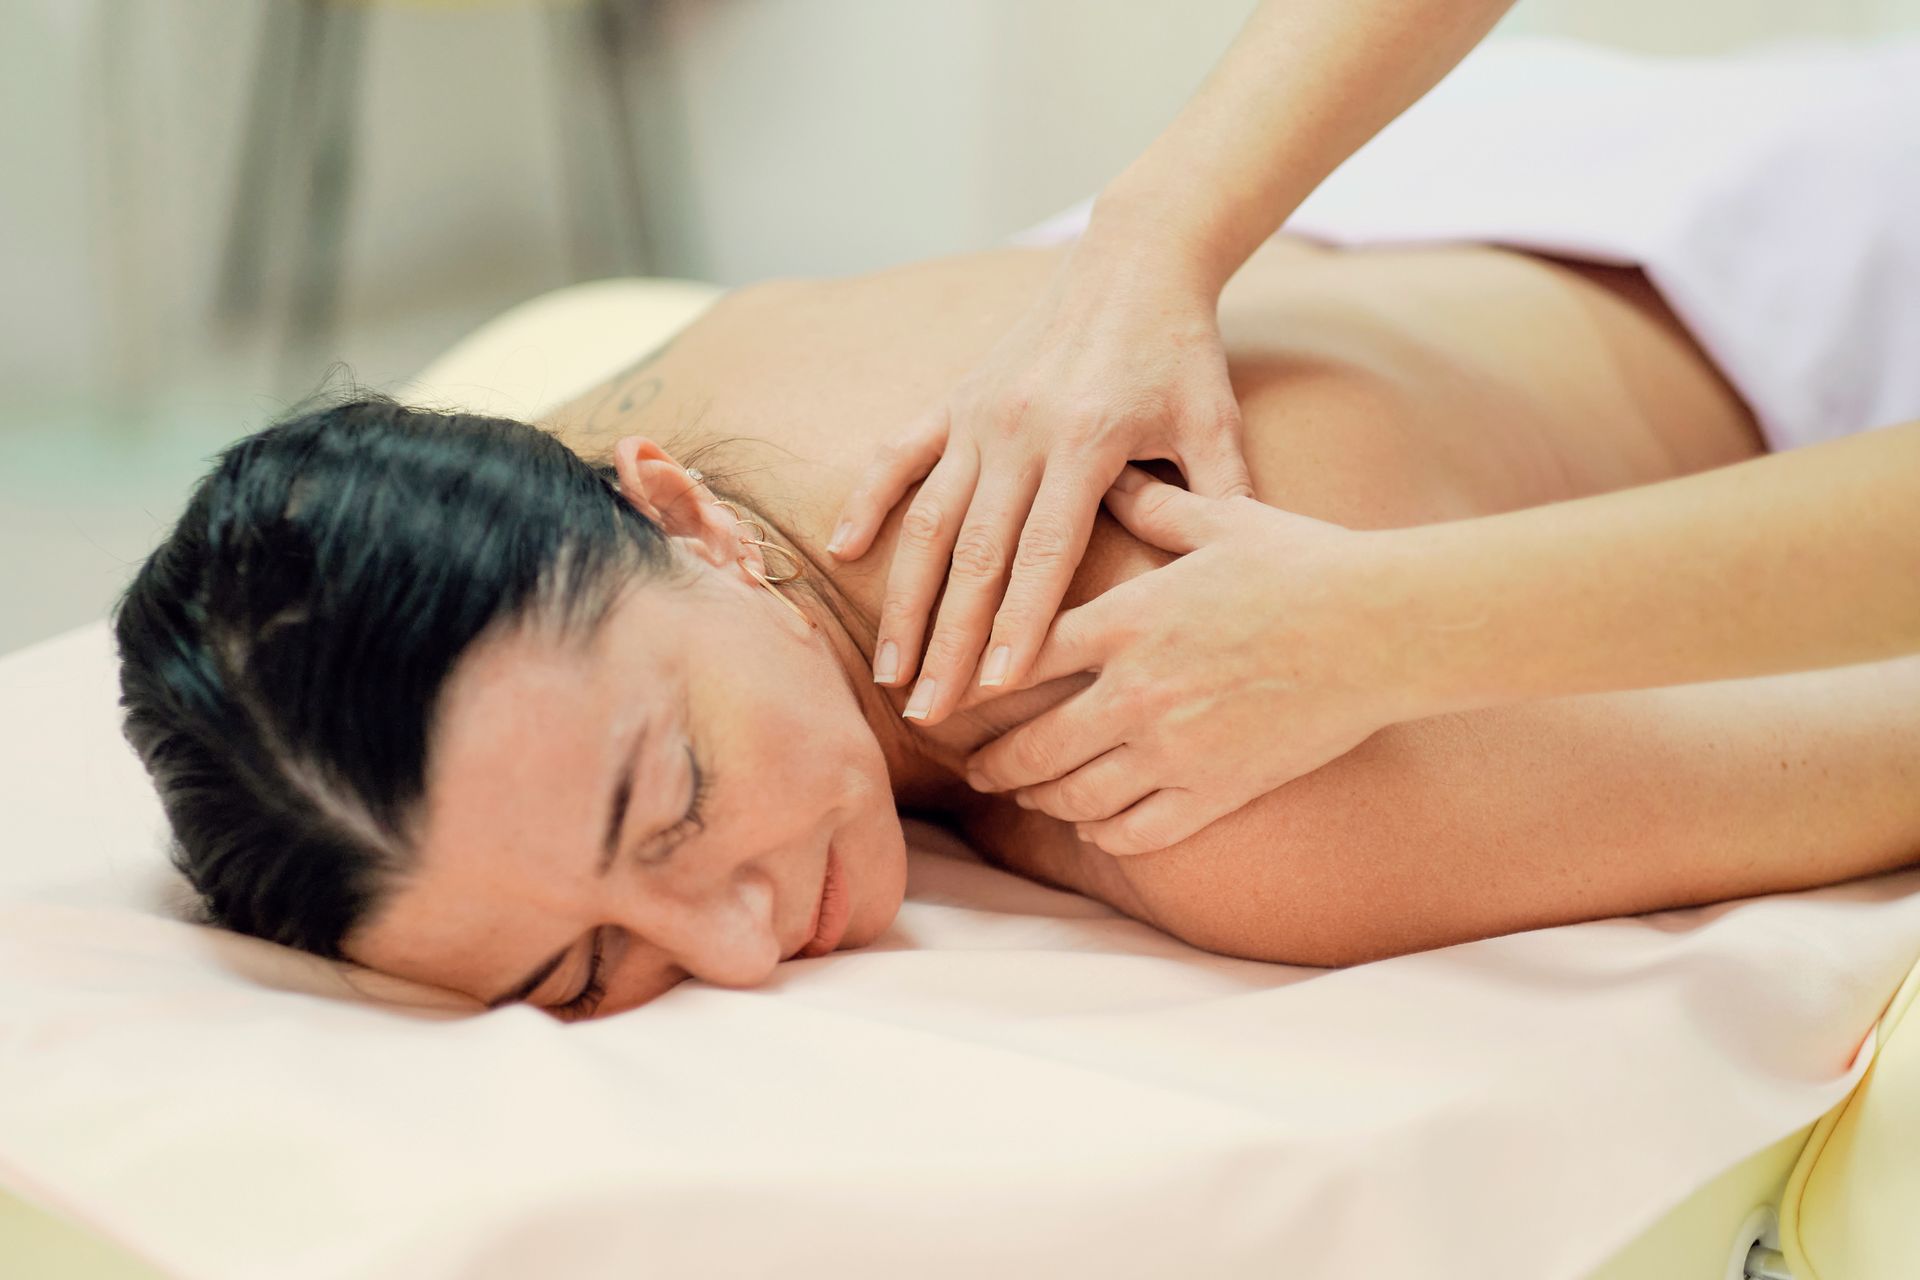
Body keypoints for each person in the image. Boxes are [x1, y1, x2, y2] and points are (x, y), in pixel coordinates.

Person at [114, 212, 1920, 1023]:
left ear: (677, 511)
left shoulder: (1240, 799)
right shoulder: (622, 459)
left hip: (1815, 302)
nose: (735, 947)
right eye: (581, 970)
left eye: (665, 808)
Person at [827, 0, 1920, 855]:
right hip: (1561, 153)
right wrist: (1151, 239)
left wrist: (1387, 627)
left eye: (661, 792)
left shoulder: (1296, 851)